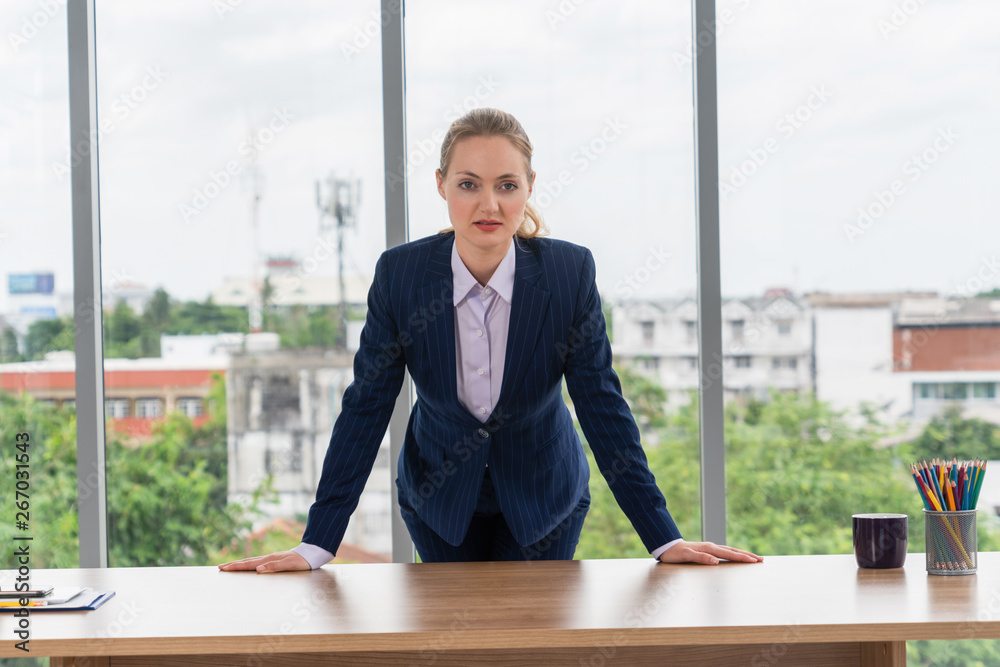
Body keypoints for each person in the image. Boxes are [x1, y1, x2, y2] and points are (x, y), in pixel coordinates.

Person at [219, 108, 762, 572]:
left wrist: (662, 537)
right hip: (437, 498)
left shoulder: (567, 274)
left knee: (528, 644)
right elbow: (366, 407)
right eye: (468, 184)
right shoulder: (401, 277)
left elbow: (600, 403)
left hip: (545, 494)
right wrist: (318, 544)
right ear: (440, 185)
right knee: (458, 643)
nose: (489, 205)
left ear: (529, 187)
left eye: (507, 185)